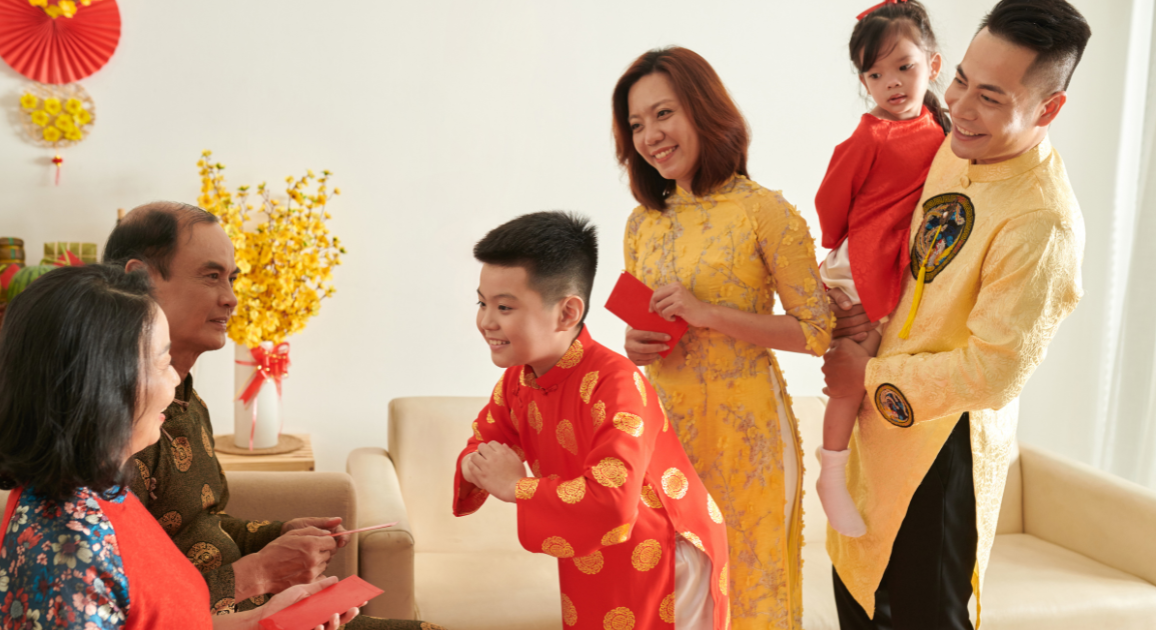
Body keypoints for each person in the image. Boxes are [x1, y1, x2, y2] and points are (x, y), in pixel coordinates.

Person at [822, 1, 1090, 628]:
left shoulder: (1043, 222)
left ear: (1048, 109)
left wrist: (868, 377)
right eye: (962, 80)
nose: (961, 108)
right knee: (855, 591)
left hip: (943, 454)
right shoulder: (955, 146)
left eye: (991, 97)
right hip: (875, 429)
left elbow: (993, 373)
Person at [104, 203, 440, 629]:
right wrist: (259, 574)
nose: (231, 298)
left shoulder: (187, 400)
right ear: (141, 279)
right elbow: (134, 608)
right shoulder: (117, 429)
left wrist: (276, 535)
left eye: (231, 278)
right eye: (211, 276)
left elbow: (201, 524)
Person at [0, 264, 357, 630]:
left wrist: (263, 620)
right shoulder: (69, 552)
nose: (174, 379)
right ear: (103, 386)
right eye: (161, 362)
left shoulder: (105, 491)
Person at [615, 47, 832, 628]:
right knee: (671, 596)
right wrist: (636, 343)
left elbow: (817, 331)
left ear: (704, 110)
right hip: (665, 434)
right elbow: (647, 322)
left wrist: (709, 313)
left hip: (748, 435)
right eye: (636, 124)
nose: (650, 136)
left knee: (751, 592)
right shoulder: (641, 224)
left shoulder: (766, 212)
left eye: (663, 114)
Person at [453, 211, 730, 630]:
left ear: (567, 313)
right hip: (593, 550)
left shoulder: (616, 383)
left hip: (665, 551)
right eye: (482, 303)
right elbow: (481, 445)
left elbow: (611, 500)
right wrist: (481, 467)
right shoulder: (517, 380)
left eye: (504, 307)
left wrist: (515, 486)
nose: (486, 321)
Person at [813, 0, 948, 538]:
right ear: (863, 81)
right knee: (852, 368)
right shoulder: (870, 135)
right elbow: (829, 205)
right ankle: (831, 474)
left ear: (932, 65)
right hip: (864, 265)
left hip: (900, 265)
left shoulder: (942, 128)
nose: (891, 82)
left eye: (904, 67)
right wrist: (850, 239)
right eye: (875, 74)